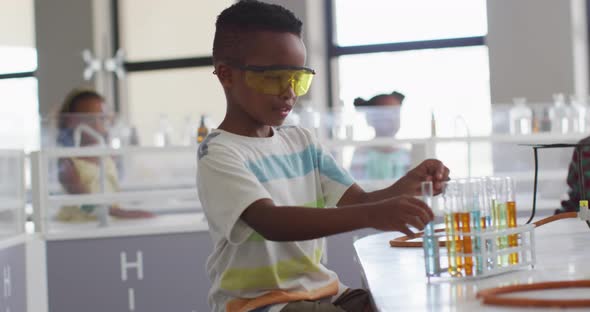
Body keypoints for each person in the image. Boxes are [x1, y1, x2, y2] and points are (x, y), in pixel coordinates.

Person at [197, 2, 449, 311]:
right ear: (226, 75)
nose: (289, 91)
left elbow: (360, 202)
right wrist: (377, 214)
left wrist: (410, 183)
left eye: (297, 78)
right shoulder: (220, 153)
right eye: (274, 77)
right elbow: (271, 222)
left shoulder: (302, 140)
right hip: (262, 304)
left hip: (325, 292)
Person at [56, 87, 153, 221]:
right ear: (71, 122)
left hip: (107, 222)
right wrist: (122, 214)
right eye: (89, 119)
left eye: (103, 119)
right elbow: (85, 204)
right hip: (80, 226)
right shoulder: (68, 163)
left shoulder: (107, 157)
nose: (97, 125)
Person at [351, 91, 410, 181]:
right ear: (370, 119)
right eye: (386, 115)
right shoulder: (361, 153)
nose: (393, 119)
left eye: (396, 113)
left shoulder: (406, 154)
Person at [558, 137, 590, 214]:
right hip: (583, 205)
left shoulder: (583, 144)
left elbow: (570, 180)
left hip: (581, 205)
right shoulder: (584, 145)